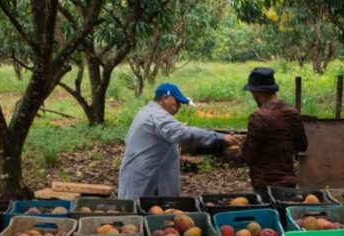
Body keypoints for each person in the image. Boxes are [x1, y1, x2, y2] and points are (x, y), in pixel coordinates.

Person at [118, 82, 239, 199]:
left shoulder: (149, 112)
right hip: (142, 176)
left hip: (147, 173)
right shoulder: (157, 116)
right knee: (138, 211)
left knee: (152, 210)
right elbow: (183, 133)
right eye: (177, 102)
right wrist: (220, 137)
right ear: (166, 98)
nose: (179, 107)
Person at [227, 67, 308, 202]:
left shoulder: (258, 117)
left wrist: (232, 152)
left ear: (257, 91)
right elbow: (302, 146)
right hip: (288, 184)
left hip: (264, 185)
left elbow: (247, 157)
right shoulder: (292, 113)